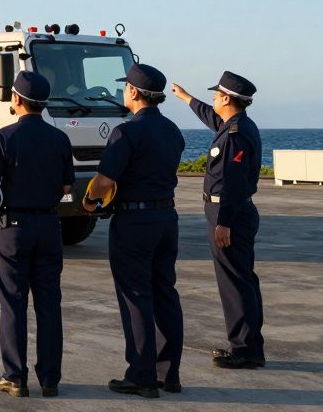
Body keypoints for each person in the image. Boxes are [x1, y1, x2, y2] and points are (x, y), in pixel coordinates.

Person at [83, 63, 184, 398]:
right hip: (166, 218)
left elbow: (105, 181)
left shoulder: (125, 132)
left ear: (135, 93)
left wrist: (88, 201)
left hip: (134, 222)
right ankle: (168, 373)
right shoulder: (172, 130)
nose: (123, 91)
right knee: (165, 292)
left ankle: (141, 374)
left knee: (136, 297)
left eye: (126, 86)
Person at [0, 71, 74, 398]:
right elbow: (68, 188)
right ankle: (50, 379)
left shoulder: (4, 137)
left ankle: (15, 377)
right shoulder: (60, 139)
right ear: (43, 105)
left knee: (13, 304)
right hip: (49, 228)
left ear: (16, 99)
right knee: (49, 304)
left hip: (12, 229)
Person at [172, 71, 265, 369]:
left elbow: (233, 182)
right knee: (242, 279)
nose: (212, 100)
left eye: (215, 96)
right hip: (233, 212)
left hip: (229, 214)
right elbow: (210, 117)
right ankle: (250, 345)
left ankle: (243, 349)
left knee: (235, 282)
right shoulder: (236, 126)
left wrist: (223, 221)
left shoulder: (235, 135)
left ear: (226, 99)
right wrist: (186, 98)